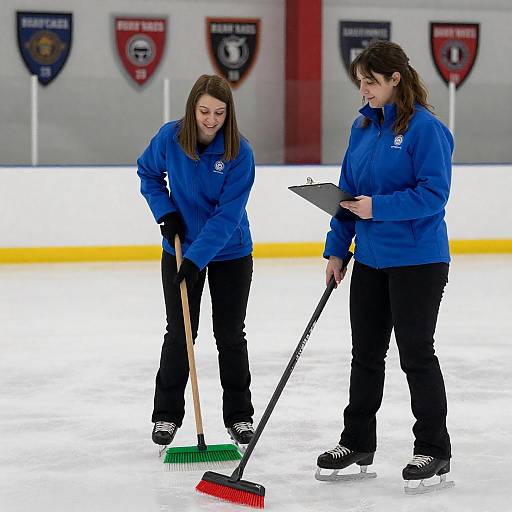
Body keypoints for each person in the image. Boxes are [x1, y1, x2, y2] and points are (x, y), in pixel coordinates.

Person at [316, 41, 454, 490]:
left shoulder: (426, 130)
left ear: (395, 79)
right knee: (366, 356)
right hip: (371, 260)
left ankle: (432, 449)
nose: (364, 90)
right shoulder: (362, 128)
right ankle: (357, 441)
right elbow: (347, 194)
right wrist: (338, 248)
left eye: (371, 82)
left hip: (418, 260)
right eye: (360, 82)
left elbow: (434, 195)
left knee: (416, 354)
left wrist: (379, 208)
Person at [137, 74, 256, 451]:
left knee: (230, 335)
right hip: (178, 247)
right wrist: (164, 212)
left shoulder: (239, 152)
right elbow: (148, 173)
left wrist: (195, 259)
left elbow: (227, 216)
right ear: (192, 109)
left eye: (219, 113)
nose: (210, 119)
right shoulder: (170, 138)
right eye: (204, 111)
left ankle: (239, 417)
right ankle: (167, 416)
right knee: (180, 333)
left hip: (230, 253)